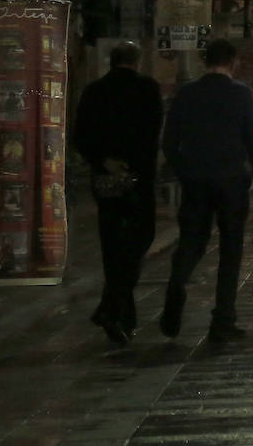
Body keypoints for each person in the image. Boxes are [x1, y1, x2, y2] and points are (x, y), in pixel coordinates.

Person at [159, 38, 253, 345]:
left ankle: (177, 282)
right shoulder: (241, 94)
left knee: (192, 241)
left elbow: (169, 143)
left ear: (204, 62)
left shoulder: (187, 94)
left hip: (195, 182)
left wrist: (185, 171)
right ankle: (223, 320)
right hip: (232, 183)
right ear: (233, 62)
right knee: (230, 251)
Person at [72, 41, 163, 347]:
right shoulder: (148, 89)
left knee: (112, 245)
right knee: (141, 238)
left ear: (111, 62)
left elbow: (80, 136)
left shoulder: (94, 91)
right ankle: (112, 309)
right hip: (139, 178)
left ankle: (118, 312)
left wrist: (104, 162)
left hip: (106, 180)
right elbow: (153, 134)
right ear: (137, 61)